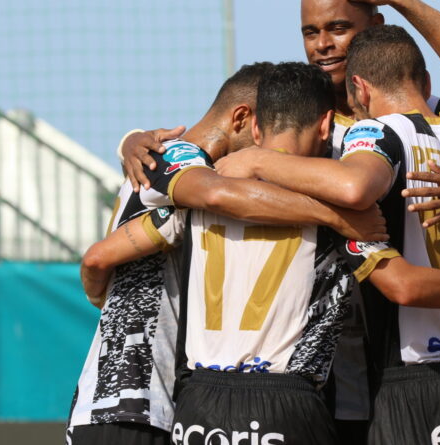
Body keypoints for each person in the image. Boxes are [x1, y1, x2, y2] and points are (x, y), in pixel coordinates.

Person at [83, 61, 440, 444]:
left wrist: (130, 141)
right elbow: (404, 285)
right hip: (286, 403)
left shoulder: (193, 188)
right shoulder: (345, 211)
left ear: (254, 127)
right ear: (326, 127)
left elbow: (99, 256)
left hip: (199, 403)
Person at [215, 24, 440, 444]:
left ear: (361, 90)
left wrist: (258, 161)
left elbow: (354, 187)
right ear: (426, 81)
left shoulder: (376, 132)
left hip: (418, 384)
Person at [66, 62, 386, 445]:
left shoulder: (179, 181)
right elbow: (218, 194)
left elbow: (96, 258)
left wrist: (104, 299)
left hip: (173, 398)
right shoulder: (193, 172)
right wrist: (336, 217)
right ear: (245, 120)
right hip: (167, 399)